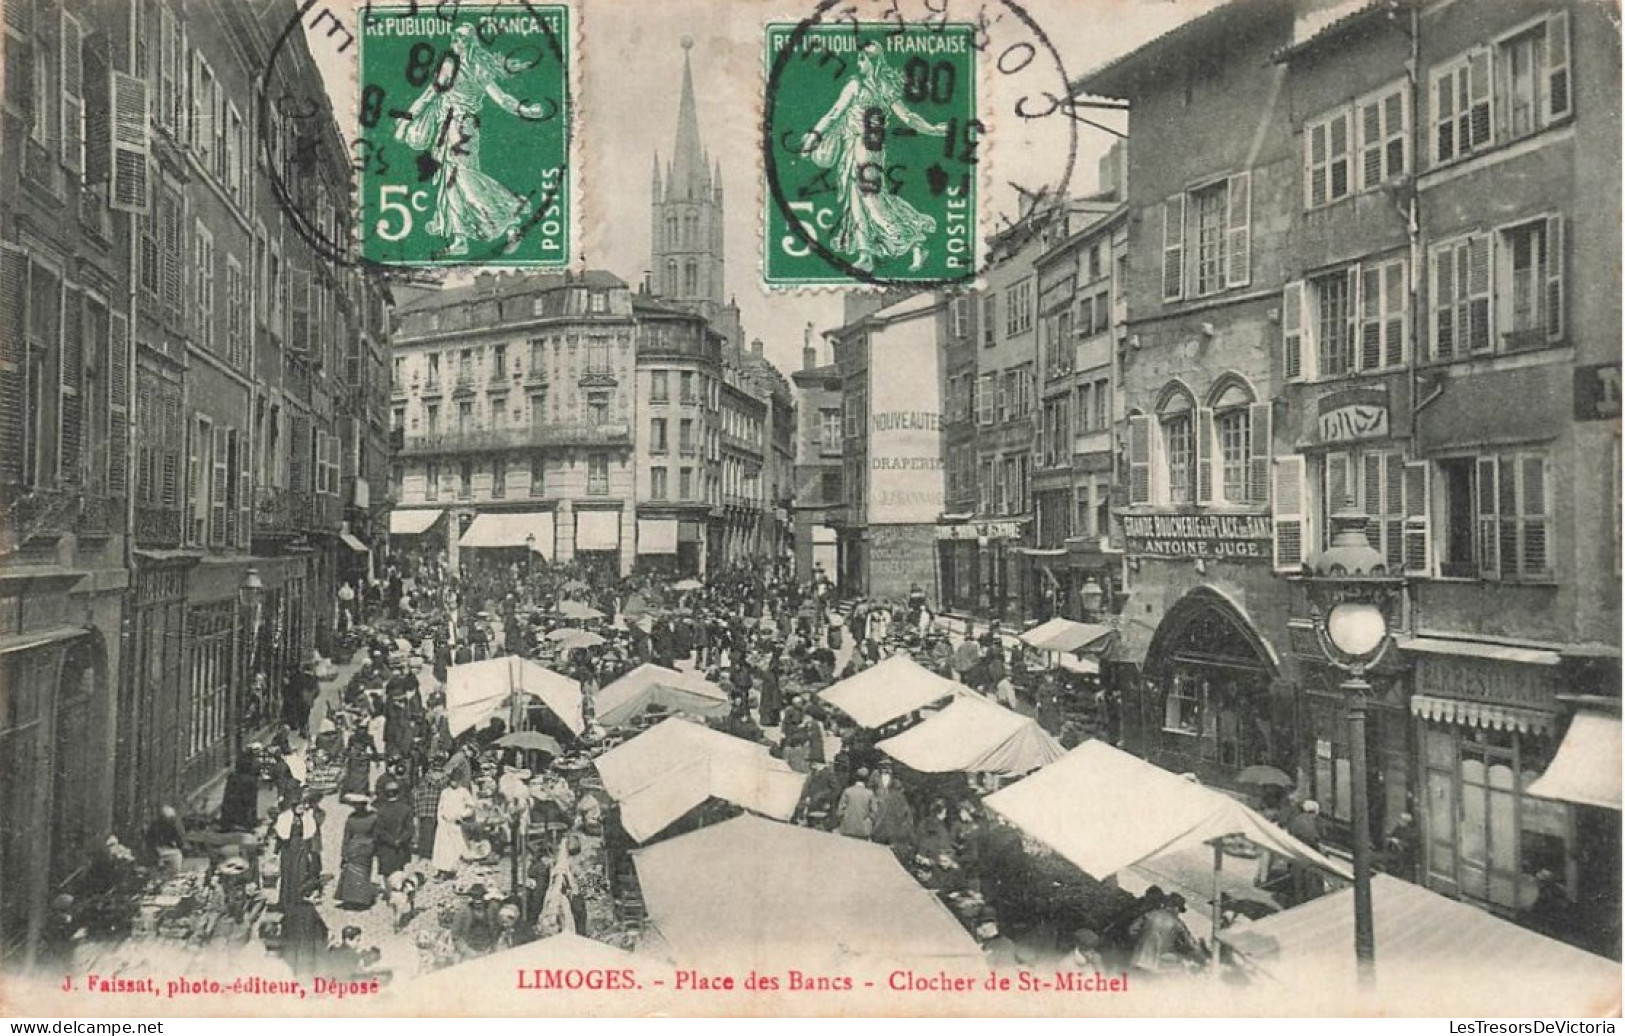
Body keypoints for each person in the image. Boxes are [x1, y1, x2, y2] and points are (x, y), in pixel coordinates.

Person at [393, 23, 551, 257]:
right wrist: (406, 120)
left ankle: (508, 216)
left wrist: (523, 110)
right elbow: (428, 95)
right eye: (456, 39)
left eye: (463, 39)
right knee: (450, 179)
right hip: (445, 129)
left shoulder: (478, 67)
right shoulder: (448, 66)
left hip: (464, 129)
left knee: (463, 177)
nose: (458, 43)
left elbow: (501, 97)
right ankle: (459, 239)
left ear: (472, 42)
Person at [1128, 892, 1204, 974]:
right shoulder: (1177, 923)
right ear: (1176, 908)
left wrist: (1142, 939)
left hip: (1138, 960)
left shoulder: (1150, 914)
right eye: (1179, 910)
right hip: (1158, 965)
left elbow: (1131, 930)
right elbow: (1191, 944)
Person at [280, 878, 330, 977]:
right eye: (316, 897)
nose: (318, 900)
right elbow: (321, 934)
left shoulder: (291, 909)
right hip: (307, 956)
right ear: (306, 897)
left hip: (290, 955)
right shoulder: (311, 912)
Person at [336, 796, 378, 910]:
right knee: (364, 873)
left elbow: (346, 837)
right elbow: (376, 835)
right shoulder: (373, 817)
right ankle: (362, 899)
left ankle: (350, 898)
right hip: (367, 847)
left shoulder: (351, 818)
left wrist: (343, 854)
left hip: (353, 846)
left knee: (351, 874)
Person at [432, 774, 476, 877]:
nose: (453, 783)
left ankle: (456, 869)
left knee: (457, 846)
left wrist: (462, 815)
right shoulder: (445, 792)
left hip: (457, 823)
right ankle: (443, 869)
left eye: (456, 781)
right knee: (444, 848)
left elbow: (471, 807)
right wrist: (441, 821)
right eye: (452, 780)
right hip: (445, 823)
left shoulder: (463, 792)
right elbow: (440, 808)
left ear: (459, 781)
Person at [372, 777, 415, 879]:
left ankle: (388, 892)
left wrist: (391, 840)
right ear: (398, 792)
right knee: (400, 874)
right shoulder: (406, 809)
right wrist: (400, 840)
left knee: (387, 875)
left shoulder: (380, 811)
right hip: (402, 848)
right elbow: (410, 829)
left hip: (386, 847)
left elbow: (379, 831)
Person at [218, 750, 262, 832]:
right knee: (248, 804)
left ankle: (228, 823)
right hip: (247, 788)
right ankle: (246, 823)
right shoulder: (251, 780)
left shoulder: (233, 778)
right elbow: (251, 803)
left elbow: (227, 799)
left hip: (229, 817)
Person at [145, 805, 187, 875]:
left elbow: (149, 840)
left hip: (154, 851)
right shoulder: (173, 824)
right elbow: (180, 841)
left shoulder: (154, 824)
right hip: (165, 851)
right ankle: (175, 875)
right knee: (177, 857)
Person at [836, 768, 876, 838]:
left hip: (846, 827)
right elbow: (874, 812)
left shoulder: (847, 791)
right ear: (867, 779)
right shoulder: (870, 794)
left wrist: (844, 819)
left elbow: (840, 811)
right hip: (863, 830)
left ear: (856, 778)